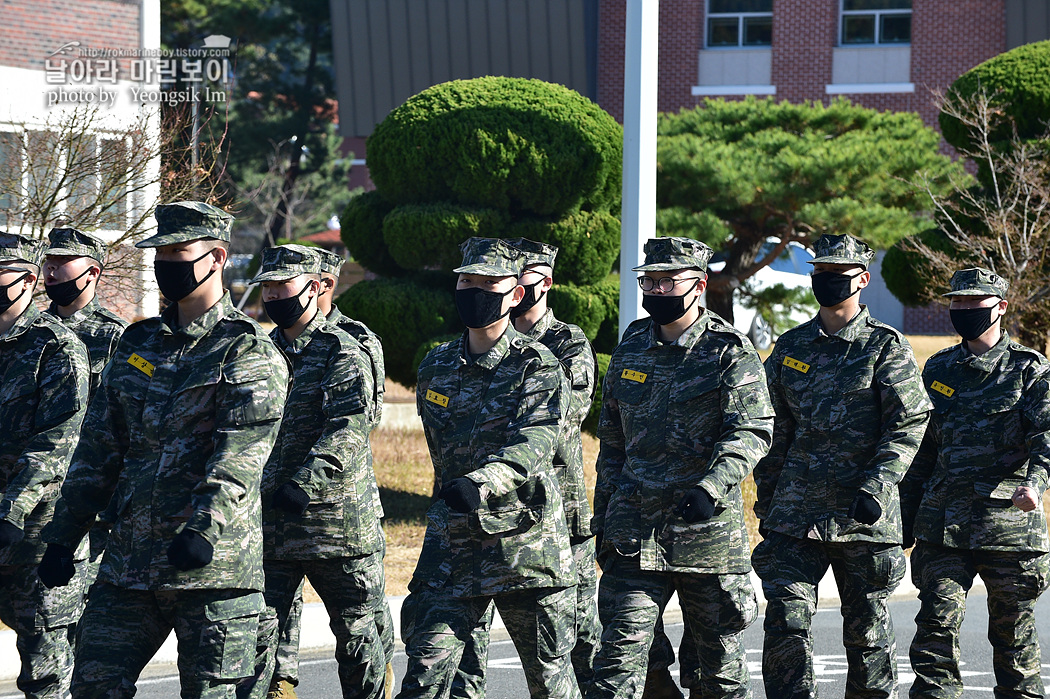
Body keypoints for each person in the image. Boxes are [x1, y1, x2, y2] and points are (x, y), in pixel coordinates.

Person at [39, 201, 289, 698]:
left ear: (217, 258)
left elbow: (239, 458)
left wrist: (203, 528)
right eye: (159, 253)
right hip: (129, 562)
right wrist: (64, 534)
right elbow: (100, 449)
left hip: (212, 569)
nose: (164, 264)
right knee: (92, 682)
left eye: (178, 252)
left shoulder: (247, 350)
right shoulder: (139, 343)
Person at [590, 236, 771, 699]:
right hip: (634, 532)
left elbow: (751, 430)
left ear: (699, 284)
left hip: (704, 537)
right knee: (616, 667)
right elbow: (612, 440)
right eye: (648, 281)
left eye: (668, 281)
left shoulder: (728, 351)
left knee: (719, 675)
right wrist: (603, 512)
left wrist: (712, 486)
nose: (656, 290)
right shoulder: (631, 346)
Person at [398, 237, 578, 699]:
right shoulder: (437, 364)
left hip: (524, 546)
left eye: (489, 283)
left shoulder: (538, 366)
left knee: (550, 683)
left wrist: (482, 482)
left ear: (516, 293)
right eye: (467, 281)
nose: (475, 290)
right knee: (425, 675)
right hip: (452, 544)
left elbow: (535, 441)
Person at [753, 233, 931, 699]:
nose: (827, 282)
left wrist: (877, 485)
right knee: (786, 622)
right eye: (821, 274)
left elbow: (909, 423)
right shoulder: (791, 348)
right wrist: (768, 501)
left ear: (863, 280)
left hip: (863, 517)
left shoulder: (885, 347)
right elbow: (772, 430)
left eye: (838, 275)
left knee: (867, 633)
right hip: (796, 515)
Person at [449, 238, 599, 699]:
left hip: (552, 514)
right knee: (460, 652)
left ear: (538, 283)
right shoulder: (464, 351)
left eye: (525, 274)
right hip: (473, 516)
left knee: (573, 642)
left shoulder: (564, 347)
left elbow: (553, 425)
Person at [240, 244, 387, 699]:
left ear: (316, 287)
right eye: (266, 288)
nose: (272, 296)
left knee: (359, 640)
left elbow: (349, 427)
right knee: (260, 639)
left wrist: (305, 483)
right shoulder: (257, 352)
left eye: (282, 286)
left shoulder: (343, 350)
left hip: (337, 527)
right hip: (270, 526)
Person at [900, 267, 1050, 698]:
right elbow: (922, 451)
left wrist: (1035, 484)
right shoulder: (938, 368)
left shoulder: (1029, 370)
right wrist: (904, 520)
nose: (962, 309)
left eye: (974, 302)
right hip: (943, 525)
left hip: (1009, 527)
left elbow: (1046, 438)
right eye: (956, 302)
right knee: (934, 631)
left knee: (1013, 641)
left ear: (1000, 307)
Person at [0, 233, 90, 699]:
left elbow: (57, 442)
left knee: (46, 669)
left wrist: (11, 511)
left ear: (27, 280)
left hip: (34, 531)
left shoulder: (55, 347)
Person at [42, 226, 129, 613]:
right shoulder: (33, 335)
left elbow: (127, 421)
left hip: (88, 502)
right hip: (32, 498)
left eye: (63, 263)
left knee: (77, 621)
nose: (52, 271)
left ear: (91, 272)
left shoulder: (115, 337)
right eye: (49, 262)